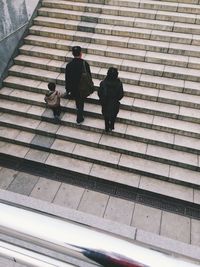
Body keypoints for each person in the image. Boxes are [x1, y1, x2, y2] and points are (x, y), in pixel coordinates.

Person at [65, 46, 92, 124]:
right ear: (81, 53)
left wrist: (68, 89)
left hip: (73, 88)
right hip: (82, 87)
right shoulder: (85, 64)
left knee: (78, 99)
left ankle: (78, 107)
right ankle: (79, 117)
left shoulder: (69, 65)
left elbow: (67, 78)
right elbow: (89, 76)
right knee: (81, 101)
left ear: (73, 54)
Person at [98, 67, 124, 132]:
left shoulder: (103, 83)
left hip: (105, 103)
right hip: (114, 103)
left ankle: (107, 127)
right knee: (114, 115)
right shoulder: (119, 84)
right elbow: (121, 95)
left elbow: (99, 93)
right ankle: (112, 125)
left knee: (106, 115)